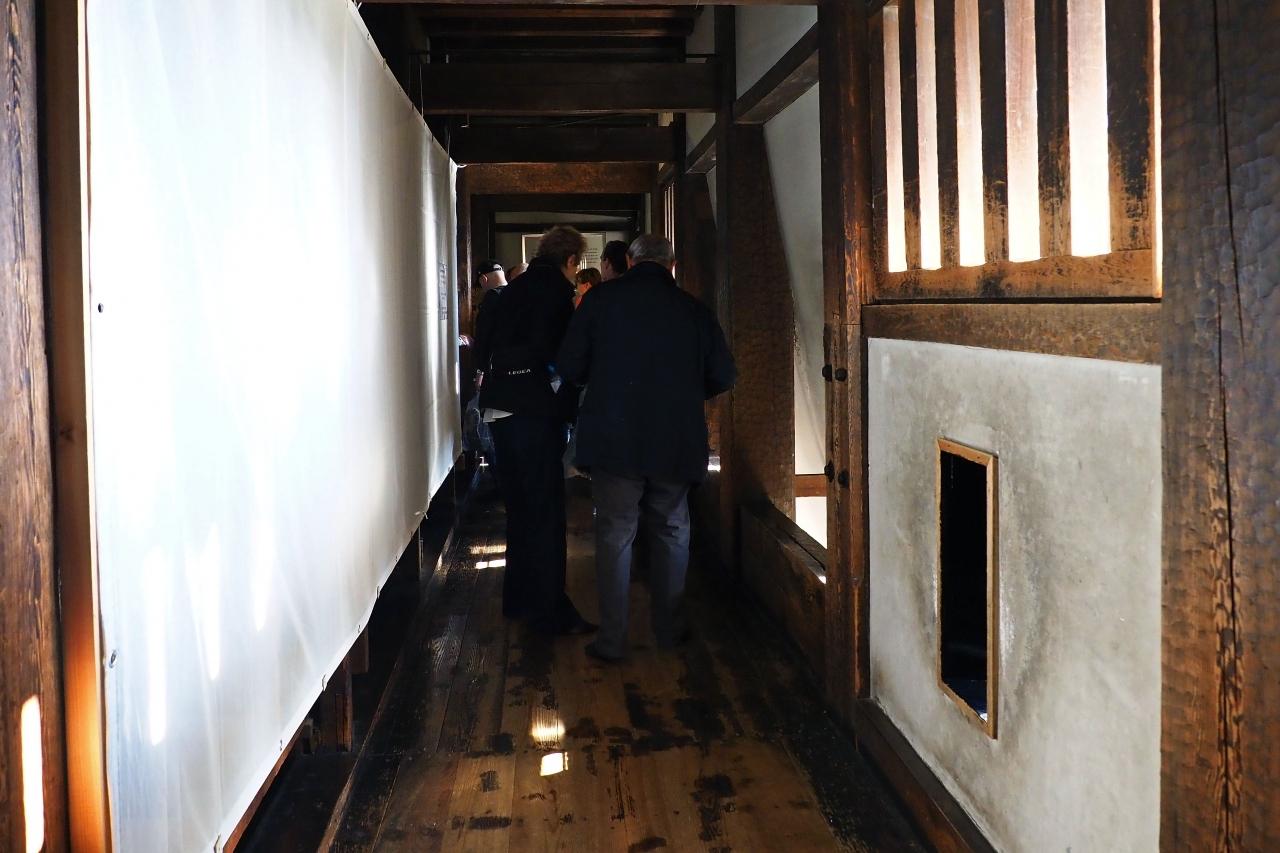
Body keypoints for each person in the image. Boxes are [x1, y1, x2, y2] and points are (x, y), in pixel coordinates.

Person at [557, 234, 735, 661]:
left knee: (615, 533)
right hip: (675, 438)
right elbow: (723, 375)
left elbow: (569, 365)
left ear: (632, 262)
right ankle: (669, 630)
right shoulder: (693, 310)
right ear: (671, 266)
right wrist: (686, 392)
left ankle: (612, 639)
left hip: (613, 438)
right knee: (672, 529)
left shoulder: (600, 302)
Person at [479, 226, 596, 636]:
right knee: (545, 510)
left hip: (498, 408)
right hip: (534, 412)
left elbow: (482, 351)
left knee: (519, 508)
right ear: (571, 260)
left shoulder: (510, 290)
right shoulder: (558, 295)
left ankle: (518, 599)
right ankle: (550, 610)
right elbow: (566, 357)